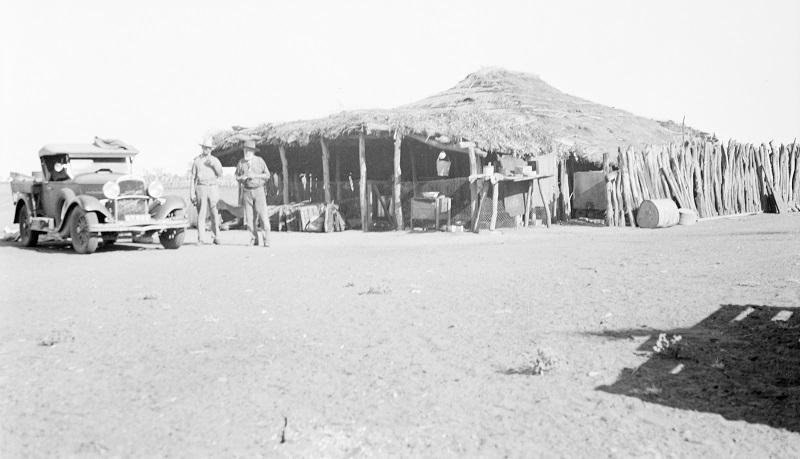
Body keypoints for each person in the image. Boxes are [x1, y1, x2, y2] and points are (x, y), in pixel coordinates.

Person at [235, 139, 271, 247]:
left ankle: (267, 240)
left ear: (253, 151)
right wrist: (242, 178)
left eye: (249, 150)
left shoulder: (260, 161)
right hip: (247, 191)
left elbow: (267, 175)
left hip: (258, 190)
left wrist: (255, 176)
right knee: (250, 218)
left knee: (263, 216)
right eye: (245, 150)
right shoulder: (241, 162)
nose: (247, 152)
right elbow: (237, 176)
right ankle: (253, 238)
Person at [190, 136, 224, 244]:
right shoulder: (197, 161)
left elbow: (220, 174)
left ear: (211, 149)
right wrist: (191, 192)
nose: (206, 149)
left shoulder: (215, 160)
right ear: (202, 147)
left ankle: (216, 236)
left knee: (215, 212)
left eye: (208, 148)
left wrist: (213, 165)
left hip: (213, 187)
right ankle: (201, 238)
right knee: (201, 213)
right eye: (205, 147)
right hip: (201, 187)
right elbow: (192, 178)